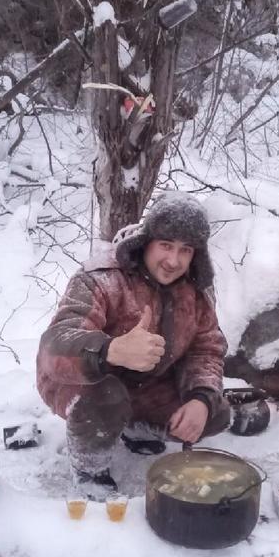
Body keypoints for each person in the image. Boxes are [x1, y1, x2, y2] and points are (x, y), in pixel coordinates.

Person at [36, 193, 230, 495]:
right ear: (147, 241)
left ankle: (136, 427)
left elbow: (206, 349)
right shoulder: (101, 277)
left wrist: (201, 398)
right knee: (108, 395)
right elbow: (54, 347)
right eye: (166, 245)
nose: (173, 260)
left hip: (147, 384)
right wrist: (110, 350)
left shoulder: (196, 291)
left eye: (185, 250)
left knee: (216, 413)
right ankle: (90, 468)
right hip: (80, 380)